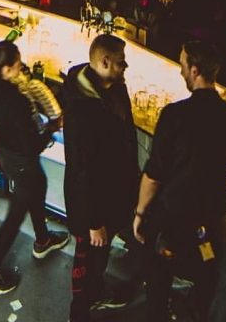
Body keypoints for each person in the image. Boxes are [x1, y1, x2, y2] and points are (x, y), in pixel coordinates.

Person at [134, 40, 226, 322]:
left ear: (195, 71)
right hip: (213, 222)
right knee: (208, 282)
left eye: (183, 65)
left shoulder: (173, 115)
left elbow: (154, 175)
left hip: (172, 218)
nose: (181, 71)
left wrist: (140, 214)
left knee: (159, 280)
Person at [0, 41, 69, 295]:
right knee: (15, 216)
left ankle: (43, 240)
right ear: (6, 70)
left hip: (8, 153)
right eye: (17, 64)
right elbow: (32, 145)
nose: (21, 66)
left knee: (38, 187)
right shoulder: (15, 100)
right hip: (22, 158)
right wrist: (52, 127)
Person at [63, 34, 139, 321]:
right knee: (88, 261)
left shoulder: (114, 88)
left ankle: (96, 293)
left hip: (114, 194)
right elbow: (82, 171)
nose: (125, 66)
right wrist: (94, 223)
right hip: (92, 207)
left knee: (100, 256)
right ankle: (80, 311)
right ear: (105, 62)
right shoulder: (82, 112)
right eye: (121, 62)